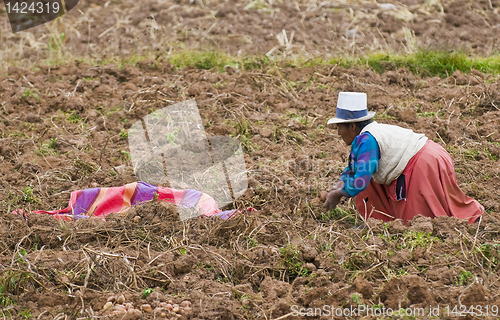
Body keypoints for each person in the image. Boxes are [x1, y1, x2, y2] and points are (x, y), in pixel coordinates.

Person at [323, 92, 484, 224]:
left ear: (352, 126)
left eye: (339, 128)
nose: (338, 133)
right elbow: (353, 169)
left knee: (423, 219)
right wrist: (337, 186)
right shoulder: (367, 136)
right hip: (432, 154)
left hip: (423, 163)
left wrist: (338, 194)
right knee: (445, 201)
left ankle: (469, 221)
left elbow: (360, 181)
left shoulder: (367, 141)